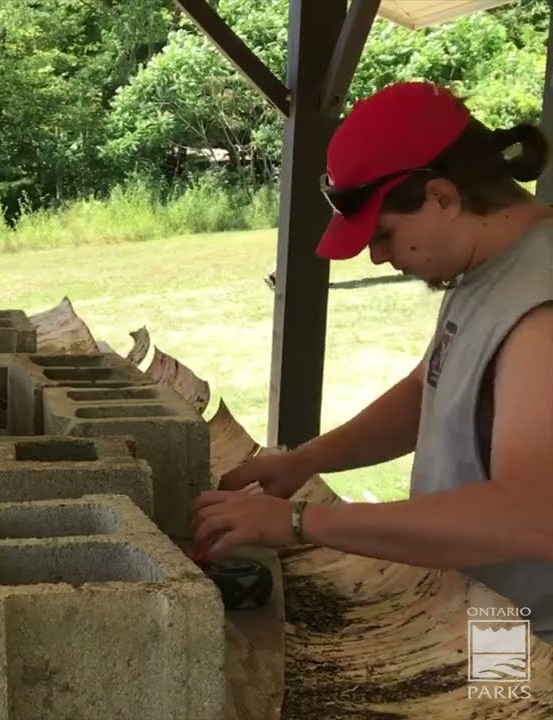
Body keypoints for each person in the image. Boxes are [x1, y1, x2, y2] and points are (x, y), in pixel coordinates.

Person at [190, 81, 553, 643]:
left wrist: (304, 522)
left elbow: (531, 515)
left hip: (533, 635)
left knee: (499, 695)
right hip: (491, 609)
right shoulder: (485, 268)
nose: (379, 257)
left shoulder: (541, 305)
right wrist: (306, 460)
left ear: (442, 197)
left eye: (384, 234)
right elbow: (428, 390)